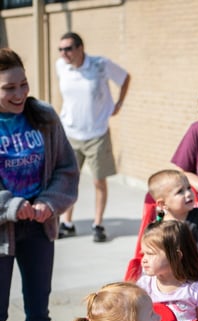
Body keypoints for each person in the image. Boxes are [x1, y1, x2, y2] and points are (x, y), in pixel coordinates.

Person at [0, 48, 79, 321]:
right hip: (2, 230)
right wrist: (12, 206)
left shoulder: (43, 116)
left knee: (38, 307)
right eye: (8, 88)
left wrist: (48, 202)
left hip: (39, 227)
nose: (19, 95)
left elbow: (67, 168)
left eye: (23, 84)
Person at [55, 31, 131, 242]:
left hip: (97, 133)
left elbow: (125, 78)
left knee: (98, 181)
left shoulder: (100, 65)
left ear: (80, 48)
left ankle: (97, 224)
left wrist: (118, 104)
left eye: (68, 49)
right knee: (69, 180)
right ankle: (67, 223)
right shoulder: (61, 66)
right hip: (70, 133)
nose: (64, 53)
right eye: (61, 49)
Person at [137, 220, 198, 321]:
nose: (144, 260)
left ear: (176, 256)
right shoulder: (144, 286)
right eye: (143, 254)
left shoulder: (195, 289)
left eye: (150, 254)